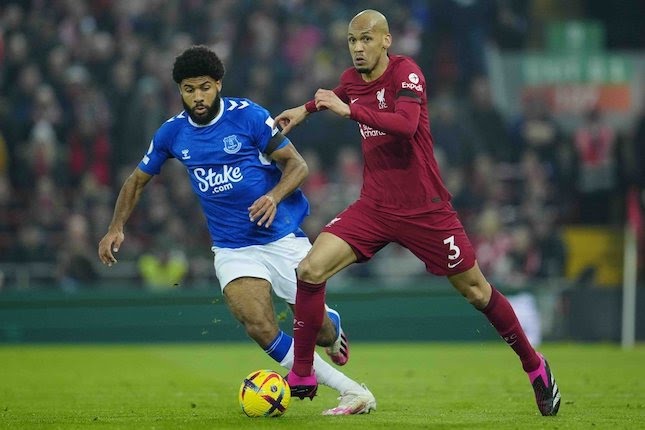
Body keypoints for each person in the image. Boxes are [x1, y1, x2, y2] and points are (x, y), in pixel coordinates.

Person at [274, 10, 560, 416]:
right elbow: (336, 94)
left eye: (367, 40)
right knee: (309, 270)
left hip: (426, 210)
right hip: (374, 206)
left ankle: (535, 367)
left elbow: (406, 125)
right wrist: (303, 110)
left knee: (477, 291)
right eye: (352, 41)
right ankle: (302, 372)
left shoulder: (407, 73)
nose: (358, 48)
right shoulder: (353, 81)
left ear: (386, 41)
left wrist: (348, 111)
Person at [97, 45, 376, 415]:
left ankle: (332, 325)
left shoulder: (248, 117)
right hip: (232, 249)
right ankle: (353, 392)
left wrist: (274, 196)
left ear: (218, 84)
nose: (197, 97)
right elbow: (136, 181)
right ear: (179, 90)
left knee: (321, 331)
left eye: (204, 87)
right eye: (189, 89)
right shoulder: (172, 133)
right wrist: (115, 227)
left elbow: (298, 166)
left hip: (282, 239)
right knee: (258, 325)